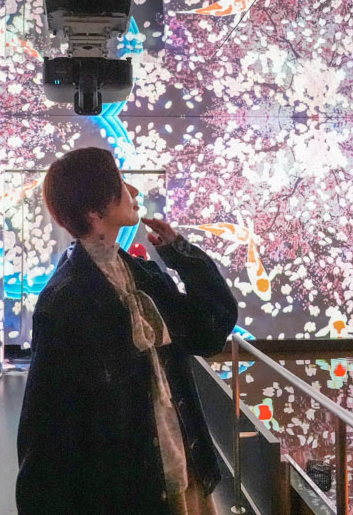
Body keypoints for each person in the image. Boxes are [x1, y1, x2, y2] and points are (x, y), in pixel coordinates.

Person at [15, 147, 238, 515]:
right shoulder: (64, 302)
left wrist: (182, 254)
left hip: (186, 474)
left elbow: (209, 333)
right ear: (94, 209)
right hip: (126, 493)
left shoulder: (144, 276)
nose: (133, 191)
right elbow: (48, 428)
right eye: (120, 182)